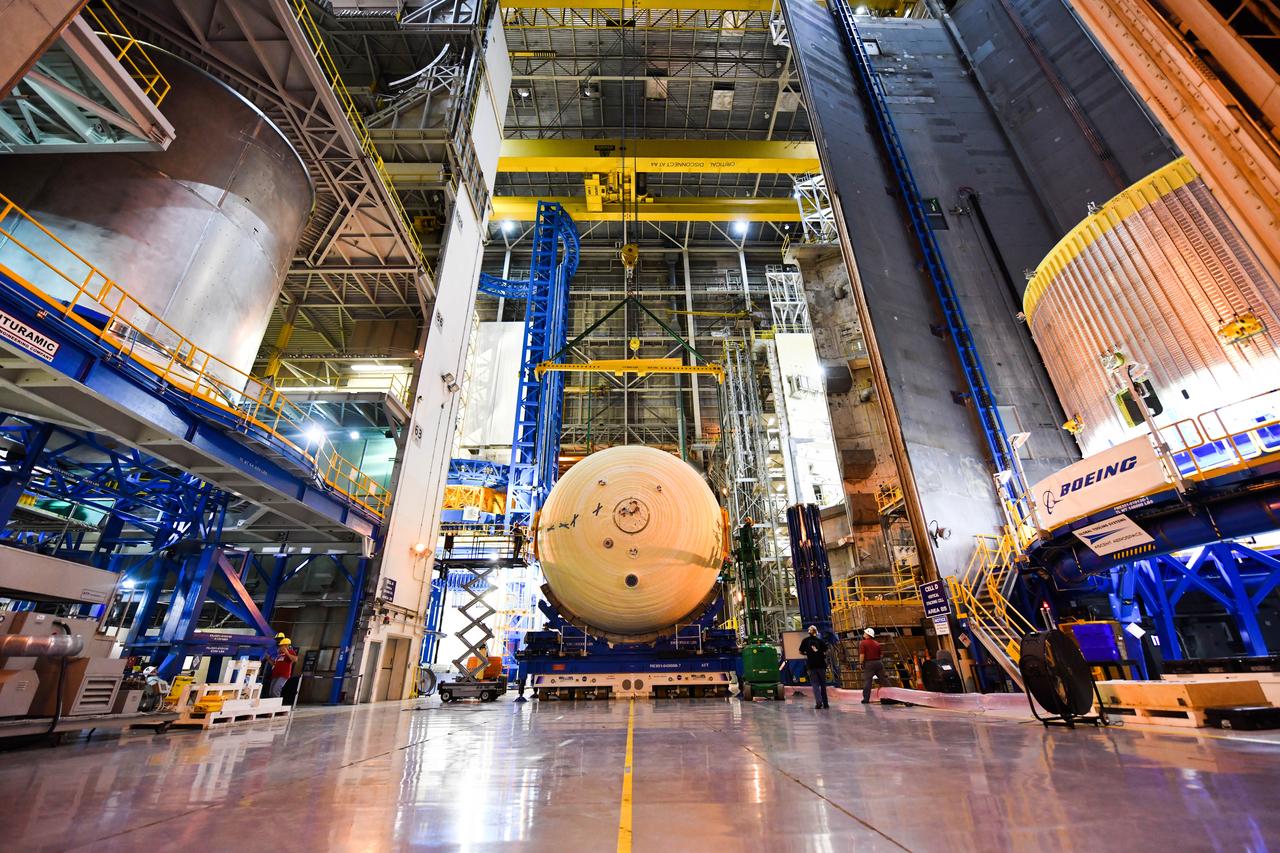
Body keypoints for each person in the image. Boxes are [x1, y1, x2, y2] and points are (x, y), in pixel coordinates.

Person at [798, 625, 829, 710]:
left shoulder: (805, 641)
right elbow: (826, 651)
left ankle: (818, 702)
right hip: (821, 665)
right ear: (816, 632)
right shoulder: (820, 641)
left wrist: (807, 654)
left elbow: (800, 651)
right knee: (823, 684)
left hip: (811, 665)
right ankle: (825, 703)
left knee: (815, 684)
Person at [859, 627, 886, 704]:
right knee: (884, 680)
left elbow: (862, 655)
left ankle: (866, 699)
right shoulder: (877, 643)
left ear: (867, 634)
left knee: (868, 681)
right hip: (878, 663)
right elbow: (881, 655)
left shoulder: (863, 643)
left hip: (869, 664)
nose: (863, 634)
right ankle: (891, 696)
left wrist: (861, 663)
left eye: (865, 633)